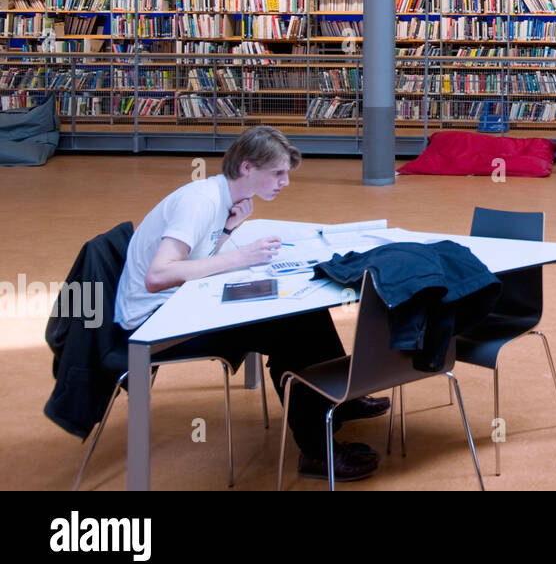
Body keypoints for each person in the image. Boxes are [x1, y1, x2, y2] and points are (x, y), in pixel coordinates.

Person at [113, 125, 391, 482]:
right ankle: (316, 452)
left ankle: (338, 403)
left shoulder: (223, 201)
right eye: (277, 173)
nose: (284, 182)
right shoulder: (200, 201)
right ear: (247, 167)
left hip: (180, 306)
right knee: (292, 330)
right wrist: (240, 256)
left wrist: (229, 231)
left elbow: (195, 258)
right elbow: (158, 276)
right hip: (157, 324)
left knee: (306, 315)